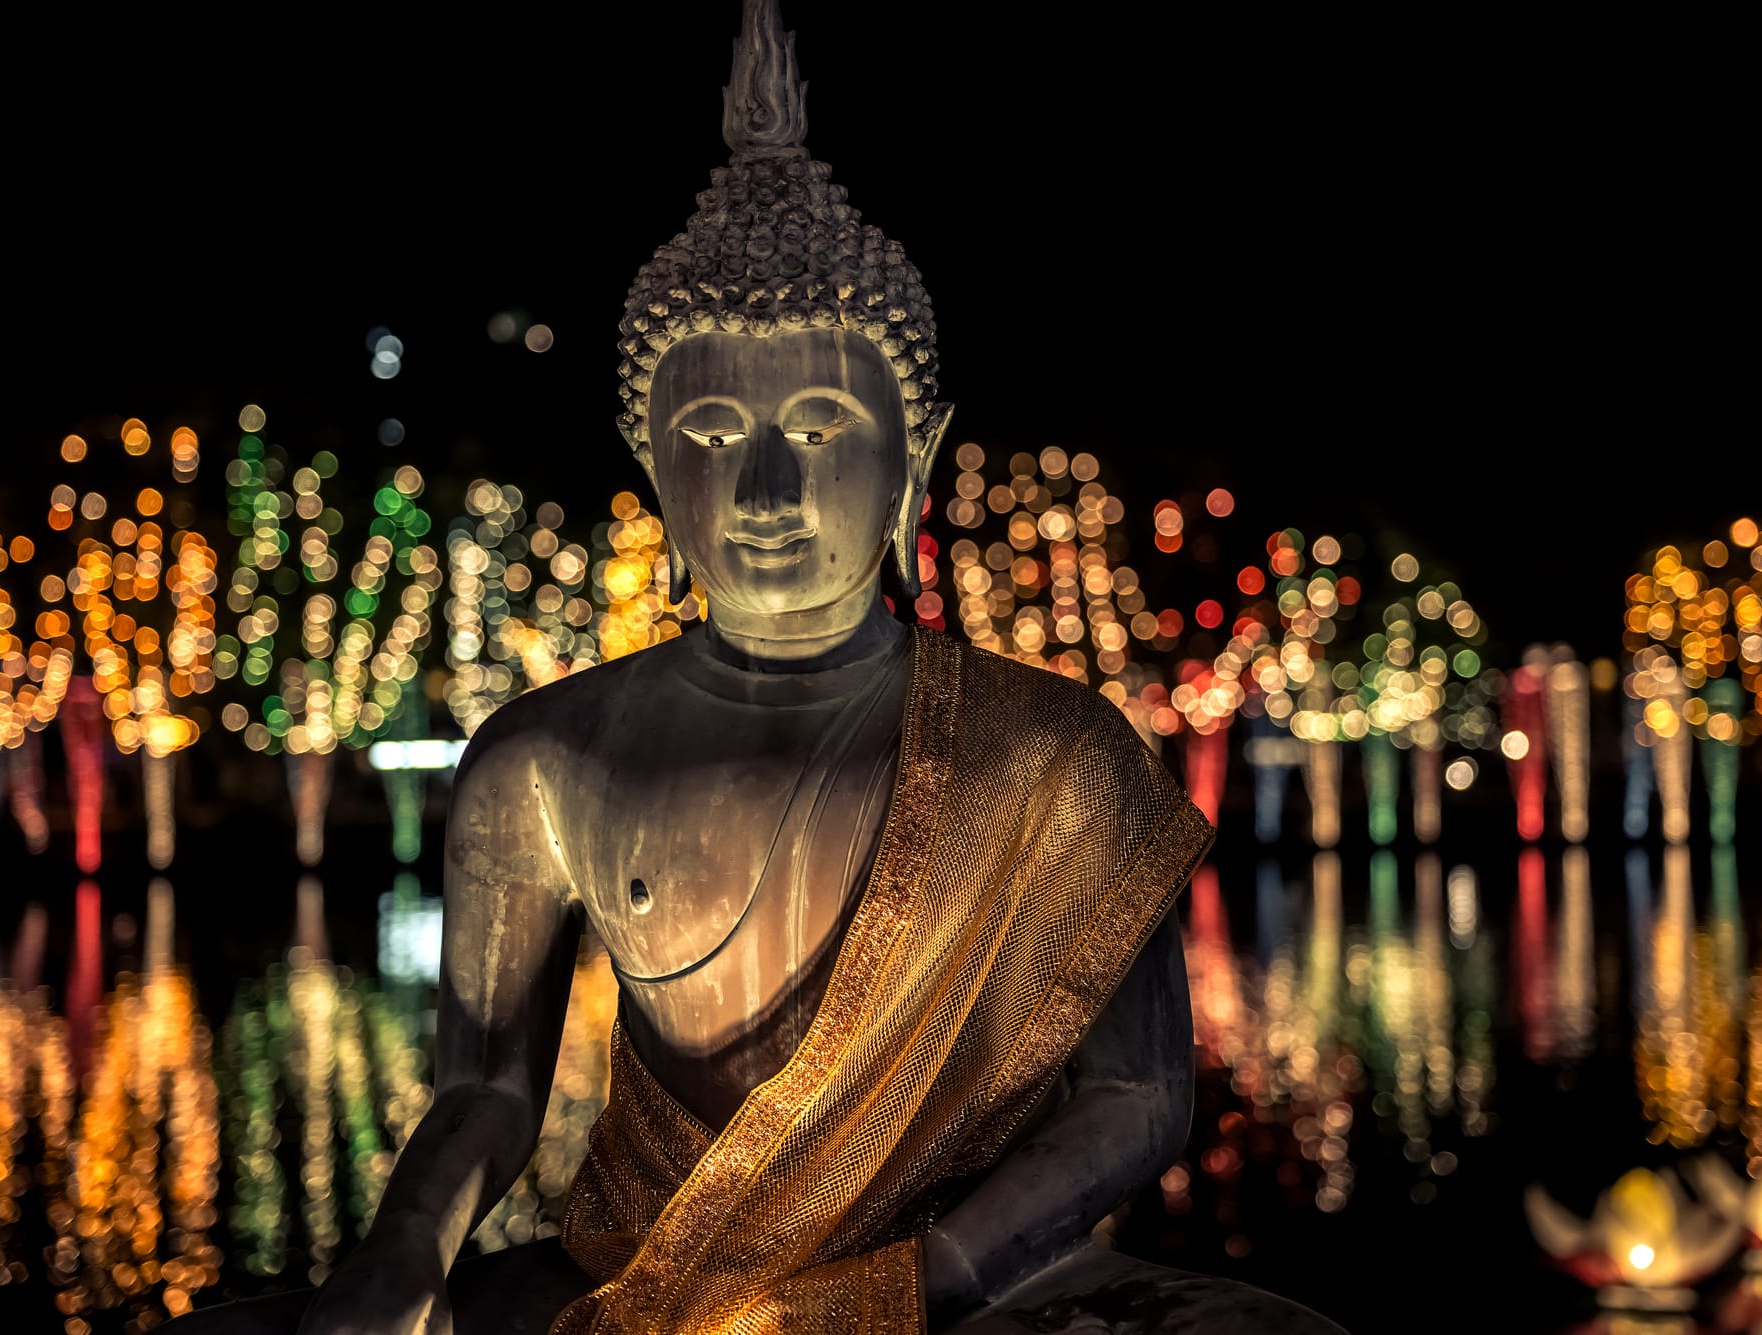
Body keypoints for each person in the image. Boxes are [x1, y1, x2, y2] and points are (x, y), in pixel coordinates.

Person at [177, 4, 1343, 1332]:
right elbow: (489, 1088)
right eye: (715, 429)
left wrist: (923, 1280)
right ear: (654, 468)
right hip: (637, 1259)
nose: (770, 484)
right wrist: (401, 1254)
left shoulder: (1051, 751)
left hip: (961, 1282)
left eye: (825, 424)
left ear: (916, 458)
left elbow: (1141, 1098)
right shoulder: (549, 757)